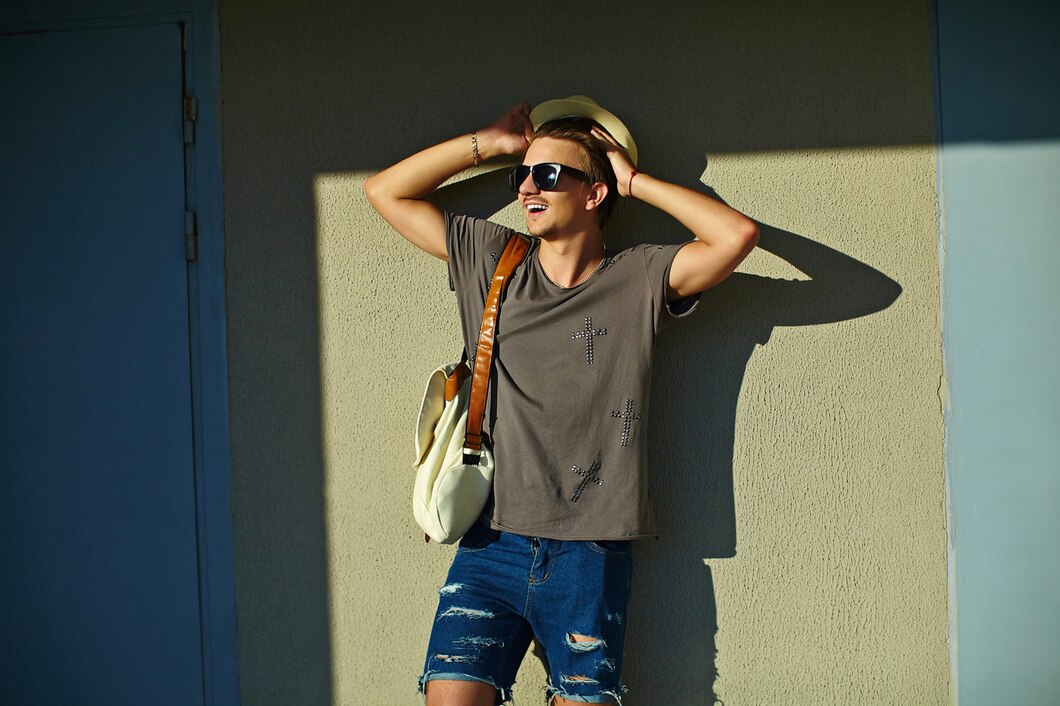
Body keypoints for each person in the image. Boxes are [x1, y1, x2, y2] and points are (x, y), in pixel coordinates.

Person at [364, 96, 758, 706]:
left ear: (594, 193)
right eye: (522, 175)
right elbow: (384, 192)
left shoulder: (638, 277)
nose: (527, 187)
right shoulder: (494, 260)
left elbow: (736, 236)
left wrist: (633, 180)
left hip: (590, 551)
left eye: (547, 174)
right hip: (490, 541)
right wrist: (491, 145)